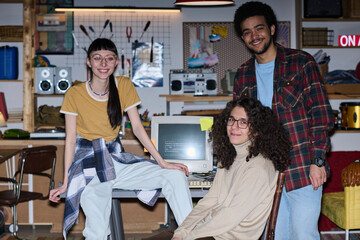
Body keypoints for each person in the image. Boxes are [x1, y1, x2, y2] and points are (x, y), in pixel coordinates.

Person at [49, 38, 193, 240]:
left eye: (109, 58)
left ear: (116, 62)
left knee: (174, 176)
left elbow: (137, 127)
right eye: (97, 58)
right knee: (97, 232)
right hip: (88, 166)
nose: (103, 64)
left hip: (116, 161)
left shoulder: (123, 85)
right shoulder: (74, 93)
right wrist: (66, 181)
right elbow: (70, 140)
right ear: (89, 62)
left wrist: (161, 162)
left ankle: (187, 235)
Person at [233, 2, 334, 239]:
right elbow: (241, 126)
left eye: (258, 29)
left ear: (272, 29)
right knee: (276, 235)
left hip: (302, 168)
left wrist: (318, 161)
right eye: (247, 32)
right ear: (242, 38)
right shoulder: (242, 74)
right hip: (265, 172)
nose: (254, 36)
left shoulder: (302, 63)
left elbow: (320, 115)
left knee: (303, 234)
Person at [172, 97, 291, 240]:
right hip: (212, 231)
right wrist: (181, 232)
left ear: (257, 130)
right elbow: (208, 202)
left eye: (243, 122)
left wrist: (190, 236)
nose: (234, 127)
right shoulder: (230, 158)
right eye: (231, 120)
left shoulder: (259, 167)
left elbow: (231, 216)